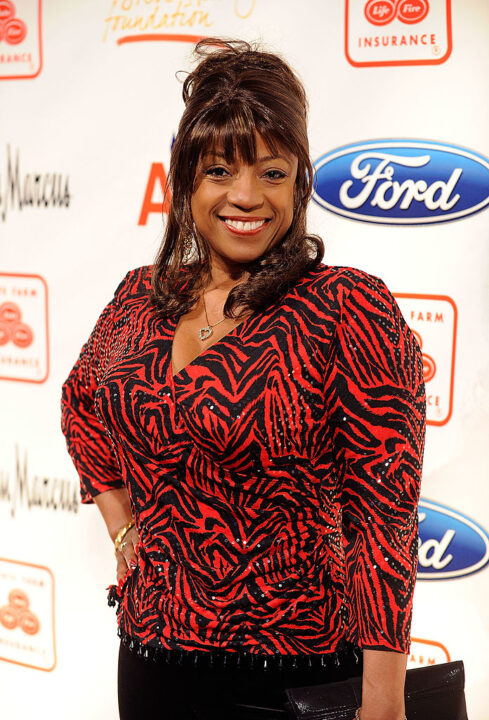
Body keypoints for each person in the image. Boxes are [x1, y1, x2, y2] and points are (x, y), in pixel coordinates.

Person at [61, 39, 426, 720]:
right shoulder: (138, 299)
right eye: (220, 169)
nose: (245, 196)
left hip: (297, 674)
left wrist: (382, 700)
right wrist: (121, 530)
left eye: (272, 172)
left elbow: (385, 517)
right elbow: (80, 403)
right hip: (150, 661)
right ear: (186, 183)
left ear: (299, 182)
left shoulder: (346, 307)